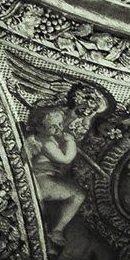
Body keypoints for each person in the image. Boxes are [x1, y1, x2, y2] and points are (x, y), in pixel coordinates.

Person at [20, 105, 84, 250]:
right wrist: (70, 141)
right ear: (40, 128)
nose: (59, 129)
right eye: (52, 127)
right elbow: (66, 159)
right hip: (42, 182)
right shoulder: (46, 143)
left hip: (47, 179)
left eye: (60, 124)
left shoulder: (47, 137)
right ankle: (56, 231)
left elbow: (57, 129)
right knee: (78, 194)